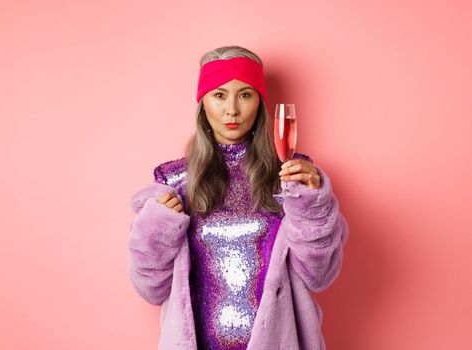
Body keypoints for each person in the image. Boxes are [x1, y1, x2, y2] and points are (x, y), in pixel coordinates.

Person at [127, 45, 349, 350]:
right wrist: (156, 229)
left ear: (259, 102)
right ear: (203, 103)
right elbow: (151, 289)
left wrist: (313, 205)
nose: (232, 109)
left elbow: (320, 276)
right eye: (219, 95)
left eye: (245, 94)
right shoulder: (174, 182)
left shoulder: (292, 176)